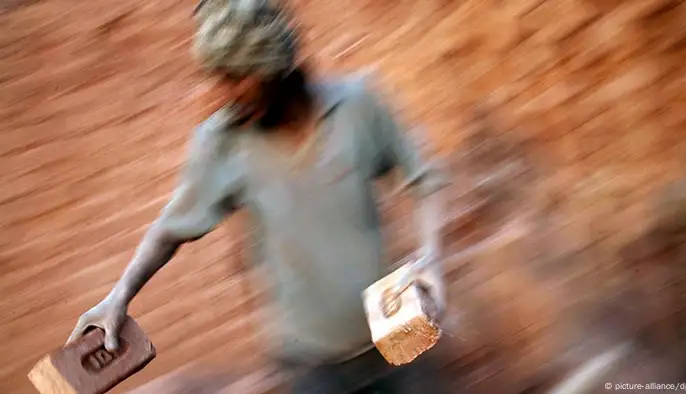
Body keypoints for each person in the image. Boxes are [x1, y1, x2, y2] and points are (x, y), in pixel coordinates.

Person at [66, 0, 450, 392]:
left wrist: (431, 256)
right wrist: (118, 298)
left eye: (235, 78)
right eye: (217, 79)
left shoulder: (358, 103)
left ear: (273, 66)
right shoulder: (220, 142)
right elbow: (169, 231)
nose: (223, 94)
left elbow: (424, 179)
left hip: (399, 337)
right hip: (311, 367)